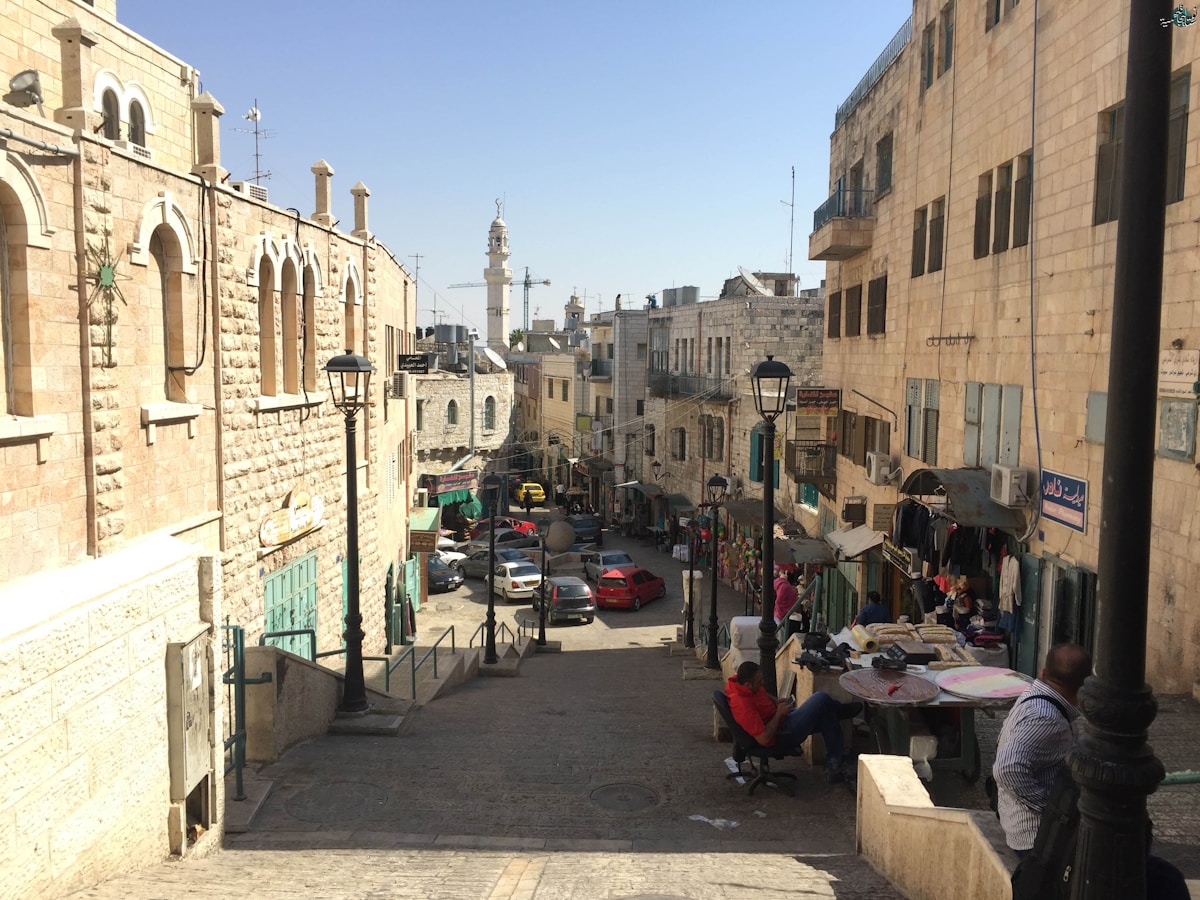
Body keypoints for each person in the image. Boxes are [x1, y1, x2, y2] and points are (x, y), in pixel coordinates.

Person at [725, 660, 862, 783]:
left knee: (827, 716)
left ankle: (834, 766)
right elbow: (764, 739)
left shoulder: (740, 684)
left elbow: (761, 692)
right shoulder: (742, 705)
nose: (763, 684)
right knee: (820, 698)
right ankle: (841, 711)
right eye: (759, 682)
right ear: (748, 684)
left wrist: (775, 701)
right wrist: (779, 714)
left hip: (784, 717)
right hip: (782, 733)